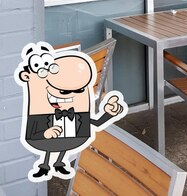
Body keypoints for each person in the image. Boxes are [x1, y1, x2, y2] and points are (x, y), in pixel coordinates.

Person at [15, 42, 127, 182]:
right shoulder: (40, 115)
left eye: (79, 90)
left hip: (71, 139)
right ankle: (45, 166)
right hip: (48, 140)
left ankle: (59, 163)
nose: (68, 95)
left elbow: (97, 122)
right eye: (63, 91)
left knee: (63, 143)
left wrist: (109, 113)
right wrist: (45, 133)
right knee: (52, 144)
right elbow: (32, 134)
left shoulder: (78, 113)